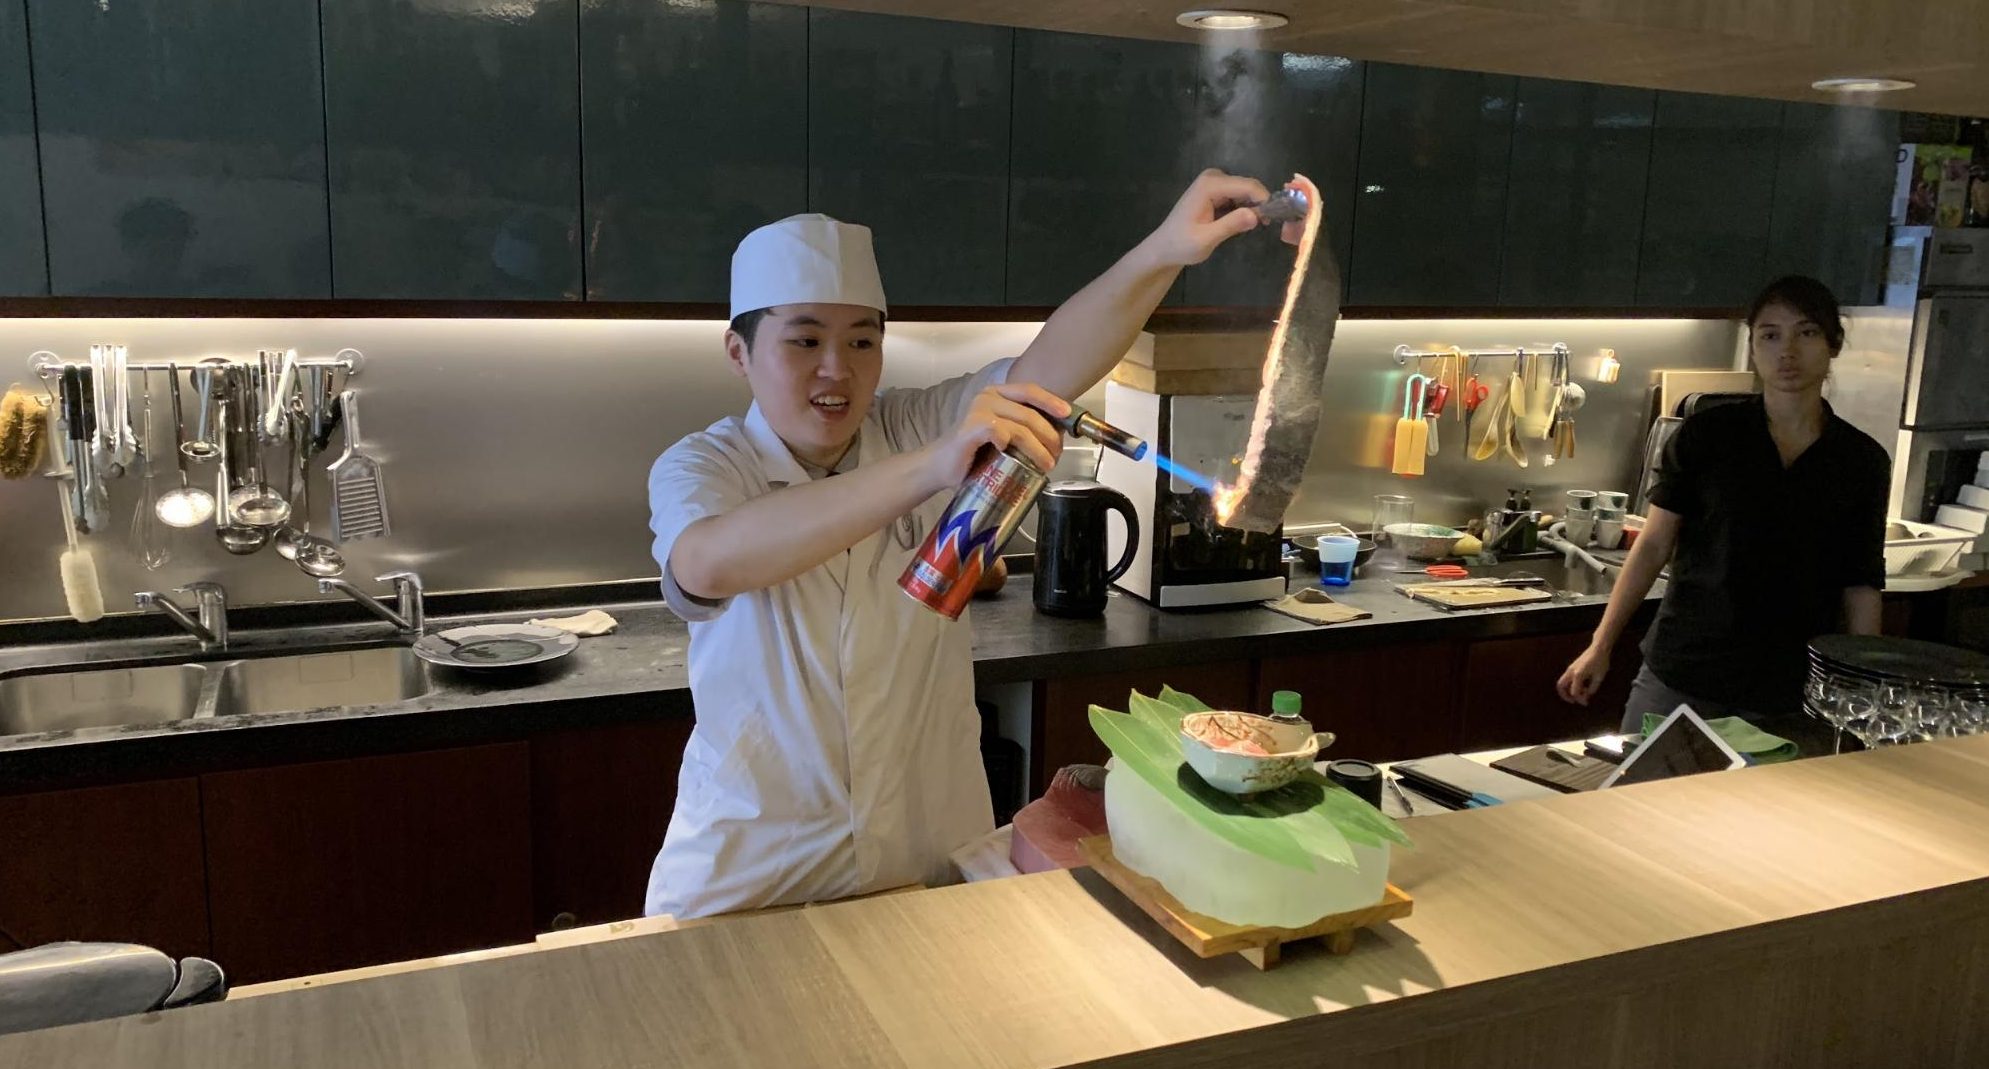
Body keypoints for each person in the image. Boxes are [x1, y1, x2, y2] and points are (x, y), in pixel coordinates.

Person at [646, 170, 1287, 919]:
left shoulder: (910, 422)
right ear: (737, 351)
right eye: (804, 340)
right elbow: (707, 561)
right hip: (751, 876)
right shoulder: (703, 464)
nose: (837, 368)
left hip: (923, 859)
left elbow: (1049, 371)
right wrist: (930, 466)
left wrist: (1163, 252)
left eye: (862, 340)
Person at [1558, 275, 1890, 733]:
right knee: (1640, 797)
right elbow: (1653, 547)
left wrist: (1863, 686)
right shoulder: (1708, 435)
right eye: (1770, 335)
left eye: (1806, 332)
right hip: (1683, 671)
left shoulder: (1861, 461)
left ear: (1833, 344)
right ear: (1754, 347)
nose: (1787, 351)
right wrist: (1601, 644)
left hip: (1789, 688)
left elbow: (1862, 583)